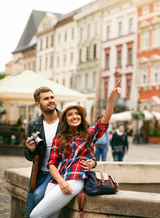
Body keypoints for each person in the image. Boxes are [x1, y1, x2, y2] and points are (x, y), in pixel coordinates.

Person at [30, 81, 121, 218]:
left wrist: (111, 99)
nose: (74, 117)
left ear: (81, 117)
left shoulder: (89, 134)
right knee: (52, 216)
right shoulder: (59, 138)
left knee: (35, 215)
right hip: (56, 180)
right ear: (65, 119)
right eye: (70, 114)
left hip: (75, 178)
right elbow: (52, 164)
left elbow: (104, 121)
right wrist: (61, 182)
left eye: (77, 113)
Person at [24, 86, 96, 217]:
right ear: (38, 104)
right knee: (28, 211)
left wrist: (93, 162)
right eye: (46, 99)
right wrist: (31, 150)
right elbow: (28, 156)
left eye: (52, 97)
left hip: (60, 171)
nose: (51, 100)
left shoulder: (67, 118)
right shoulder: (34, 124)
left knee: (39, 198)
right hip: (39, 172)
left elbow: (85, 143)